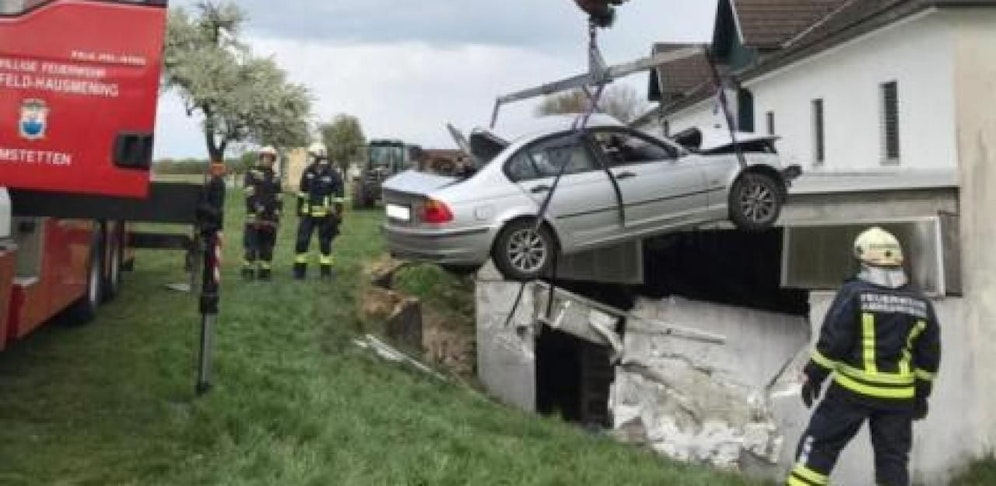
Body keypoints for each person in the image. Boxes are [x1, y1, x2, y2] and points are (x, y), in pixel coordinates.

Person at [787, 227, 941, 486]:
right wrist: (921, 395)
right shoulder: (921, 303)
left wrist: (814, 375)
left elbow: (834, 341)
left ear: (863, 259)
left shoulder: (854, 293)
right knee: (893, 461)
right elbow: (929, 358)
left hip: (851, 393)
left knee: (819, 445)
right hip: (898, 399)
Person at [293, 142, 344, 280]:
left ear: (320, 156)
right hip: (307, 214)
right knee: (302, 241)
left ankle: (326, 273)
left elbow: (339, 196)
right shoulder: (307, 172)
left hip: (326, 216)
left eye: (312, 155)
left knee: (325, 243)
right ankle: (299, 272)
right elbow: (302, 193)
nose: (310, 158)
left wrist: (337, 213)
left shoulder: (333, 174)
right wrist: (299, 211)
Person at [242, 146, 283, 281]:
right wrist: (258, 207)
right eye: (266, 157)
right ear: (260, 158)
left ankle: (265, 272)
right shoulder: (251, 173)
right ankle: (248, 271)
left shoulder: (276, 176)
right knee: (252, 248)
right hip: (254, 218)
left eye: (271, 158)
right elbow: (249, 193)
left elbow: (278, 196)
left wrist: (277, 212)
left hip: (271, 219)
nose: (268, 160)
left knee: (267, 248)